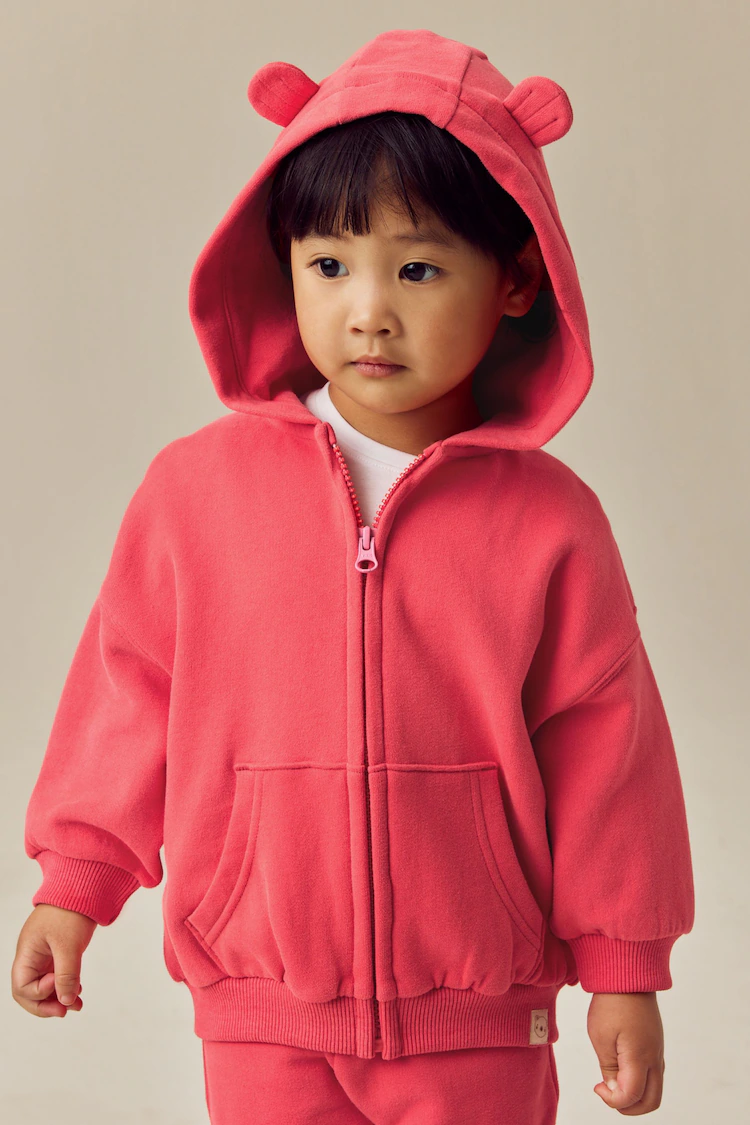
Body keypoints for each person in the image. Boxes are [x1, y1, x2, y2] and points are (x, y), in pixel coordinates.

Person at [12, 27, 695, 1125]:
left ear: (517, 279)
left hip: (479, 1016)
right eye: (329, 264)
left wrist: (625, 965)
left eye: (417, 269)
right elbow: (128, 693)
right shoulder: (194, 494)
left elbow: (608, 753)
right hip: (260, 1009)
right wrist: (76, 883)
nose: (367, 308)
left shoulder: (551, 523)